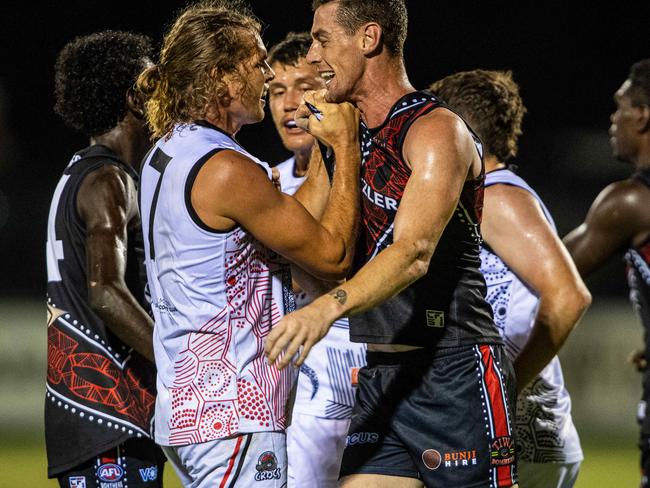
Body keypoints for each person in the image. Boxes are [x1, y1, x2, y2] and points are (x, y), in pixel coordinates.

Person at [265, 1, 519, 487]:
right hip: (381, 370)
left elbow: (413, 253)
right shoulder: (344, 133)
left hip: (454, 368)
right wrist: (334, 149)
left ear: (368, 38)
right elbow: (313, 247)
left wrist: (326, 310)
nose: (313, 56)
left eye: (322, 40)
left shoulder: (434, 129)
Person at [135, 2, 360, 487]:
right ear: (221, 77)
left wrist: (319, 150)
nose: (264, 76)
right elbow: (332, 256)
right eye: (256, 65)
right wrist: (345, 147)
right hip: (233, 408)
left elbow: (294, 224)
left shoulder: (170, 149)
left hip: (190, 399)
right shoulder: (227, 169)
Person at [430, 69, 591, 488]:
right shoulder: (487, 198)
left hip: (517, 436)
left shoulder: (498, 197)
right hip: (511, 434)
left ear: (462, 134)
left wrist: (505, 386)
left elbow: (569, 296)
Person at [46, 31, 165, 487]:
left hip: (96, 413)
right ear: (135, 96)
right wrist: (177, 362)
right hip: (107, 415)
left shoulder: (83, 171)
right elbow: (106, 292)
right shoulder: (107, 180)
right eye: (152, 79)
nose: (163, 88)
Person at [267, 31, 367, 487]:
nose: (290, 104)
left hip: (341, 363)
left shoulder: (355, 172)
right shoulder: (261, 186)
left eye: (304, 87)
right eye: (276, 91)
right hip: (281, 369)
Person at [564, 59, 650, 487]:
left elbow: (549, 271)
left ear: (644, 115)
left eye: (621, 107)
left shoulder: (631, 202)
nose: (613, 119)